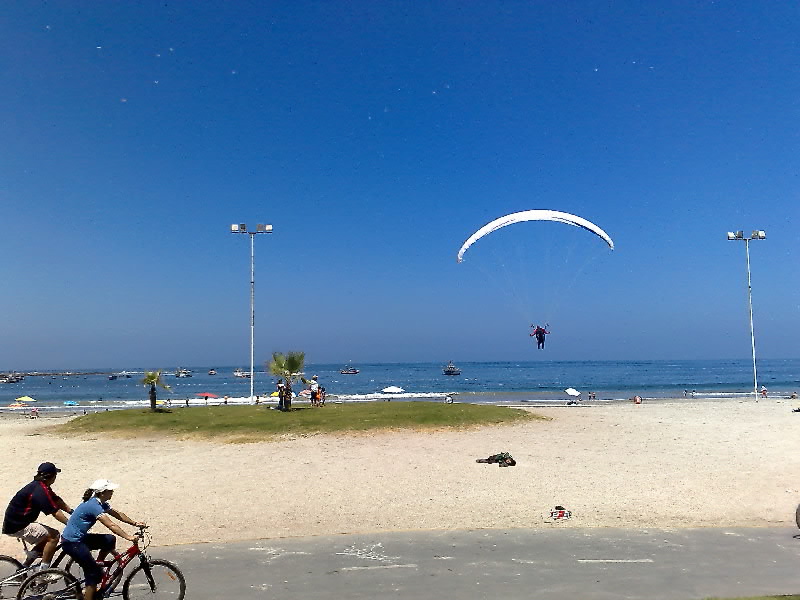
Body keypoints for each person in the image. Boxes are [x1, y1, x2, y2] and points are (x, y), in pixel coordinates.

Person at [61, 479, 145, 600]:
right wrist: (129, 537)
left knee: (109, 540)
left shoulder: (100, 502)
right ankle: (94, 579)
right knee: (92, 575)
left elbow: (117, 514)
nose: (112, 492)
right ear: (102, 493)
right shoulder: (93, 506)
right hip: (72, 543)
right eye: (110, 490)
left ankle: (99, 565)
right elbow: (111, 525)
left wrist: (135, 523)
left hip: (80, 539)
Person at [3, 462, 73, 570]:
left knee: (45, 537)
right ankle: (43, 573)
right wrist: (70, 524)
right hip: (18, 526)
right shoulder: (40, 491)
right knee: (54, 536)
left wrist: (72, 512)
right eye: (55, 475)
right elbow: (55, 512)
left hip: (16, 523)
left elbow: (57, 500)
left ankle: (23, 567)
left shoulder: (40, 486)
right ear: (51, 476)